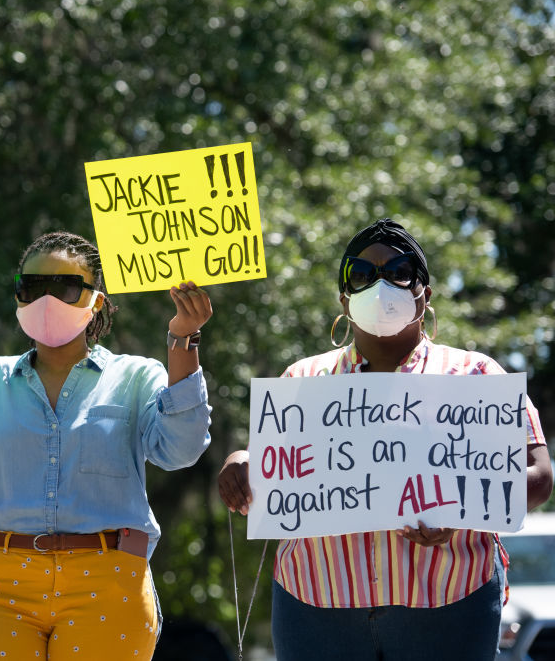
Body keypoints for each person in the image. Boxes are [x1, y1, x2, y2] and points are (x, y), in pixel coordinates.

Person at [0, 231, 213, 659]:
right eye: (32, 287)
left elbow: (181, 448)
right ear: (18, 296)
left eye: (65, 288)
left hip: (110, 580)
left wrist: (183, 338)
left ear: (97, 300)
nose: (47, 300)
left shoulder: (137, 377)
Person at [217, 218, 553, 661]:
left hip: (448, 607)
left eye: (399, 271)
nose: (381, 284)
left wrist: (461, 509)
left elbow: (539, 475)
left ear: (424, 294)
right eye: (362, 273)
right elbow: (271, 468)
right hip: (315, 608)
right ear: (344, 298)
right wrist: (240, 461)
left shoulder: (475, 375)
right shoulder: (302, 379)